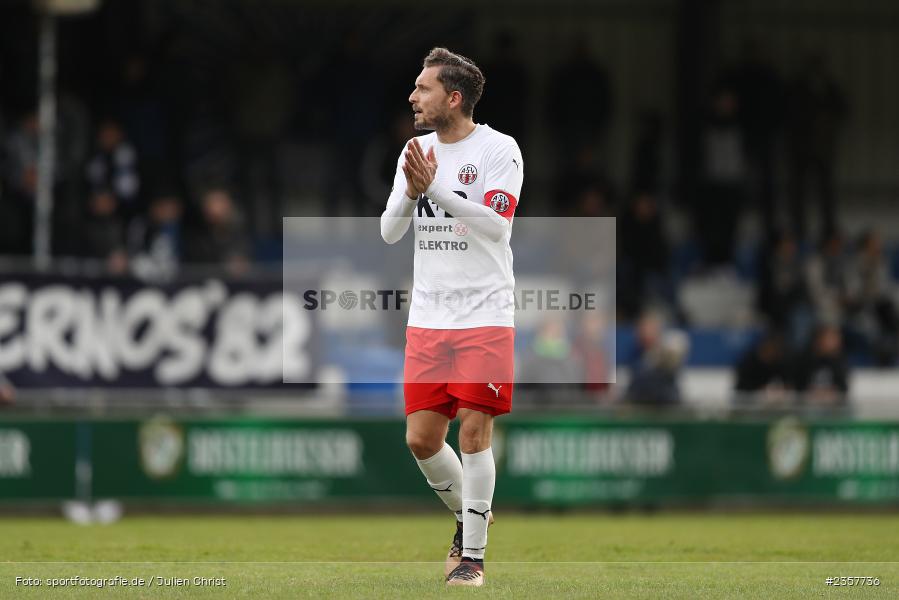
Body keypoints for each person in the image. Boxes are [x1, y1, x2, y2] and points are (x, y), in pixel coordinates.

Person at [380, 47, 523, 588]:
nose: (414, 97)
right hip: (429, 316)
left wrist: (434, 187)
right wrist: (412, 191)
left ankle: (473, 558)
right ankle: (473, 513)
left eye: (423, 88)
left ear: (453, 97)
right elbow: (390, 230)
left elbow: (496, 226)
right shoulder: (414, 150)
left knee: (475, 431)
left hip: (485, 310)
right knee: (420, 439)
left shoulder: (499, 149)